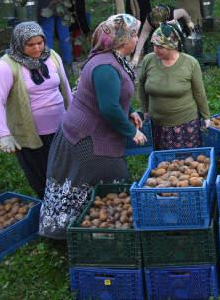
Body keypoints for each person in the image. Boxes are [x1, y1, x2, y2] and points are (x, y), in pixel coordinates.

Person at [39, 14, 147, 240]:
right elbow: (108, 107)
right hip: (86, 138)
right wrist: (131, 132)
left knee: (98, 180)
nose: (137, 39)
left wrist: (130, 113)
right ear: (121, 39)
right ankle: (80, 232)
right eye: (134, 35)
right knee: (110, 177)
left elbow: (114, 97)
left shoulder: (113, 58)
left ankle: (97, 230)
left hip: (88, 132)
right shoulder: (105, 66)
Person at [0, 22, 72, 198]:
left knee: (64, 171)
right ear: (18, 43)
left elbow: (66, 87)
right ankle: (48, 209)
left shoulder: (52, 56)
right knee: (41, 176)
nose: (37, 48)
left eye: (40, 42)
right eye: (30, 44)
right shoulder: (6, 65)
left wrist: (73, 114)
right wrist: (3, 133)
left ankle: (67, 205)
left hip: (60, 128)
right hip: (31, 133)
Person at [137, 23, 211, 150]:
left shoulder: (190, 63)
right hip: (158, 124)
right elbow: (142, 87)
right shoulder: (149, 60)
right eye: (154, 45)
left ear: (172, 45)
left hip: (185, 124)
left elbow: (199, 93)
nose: (155, 50)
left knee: (187, 163)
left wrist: (206, 116)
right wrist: (145, 110)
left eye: (160, 46)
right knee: (164, 163)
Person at [130, 4, 195, 67]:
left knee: (179, 42)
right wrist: (136, 57)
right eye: (155, 24)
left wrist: (189, 22)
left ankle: (182, 59)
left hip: (174, 24)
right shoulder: (149, 20)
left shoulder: (173, 14)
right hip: (160, 27)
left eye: (157, 24)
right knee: (156, 42)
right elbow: (143, 37)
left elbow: (183, 12)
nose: (156, 25)